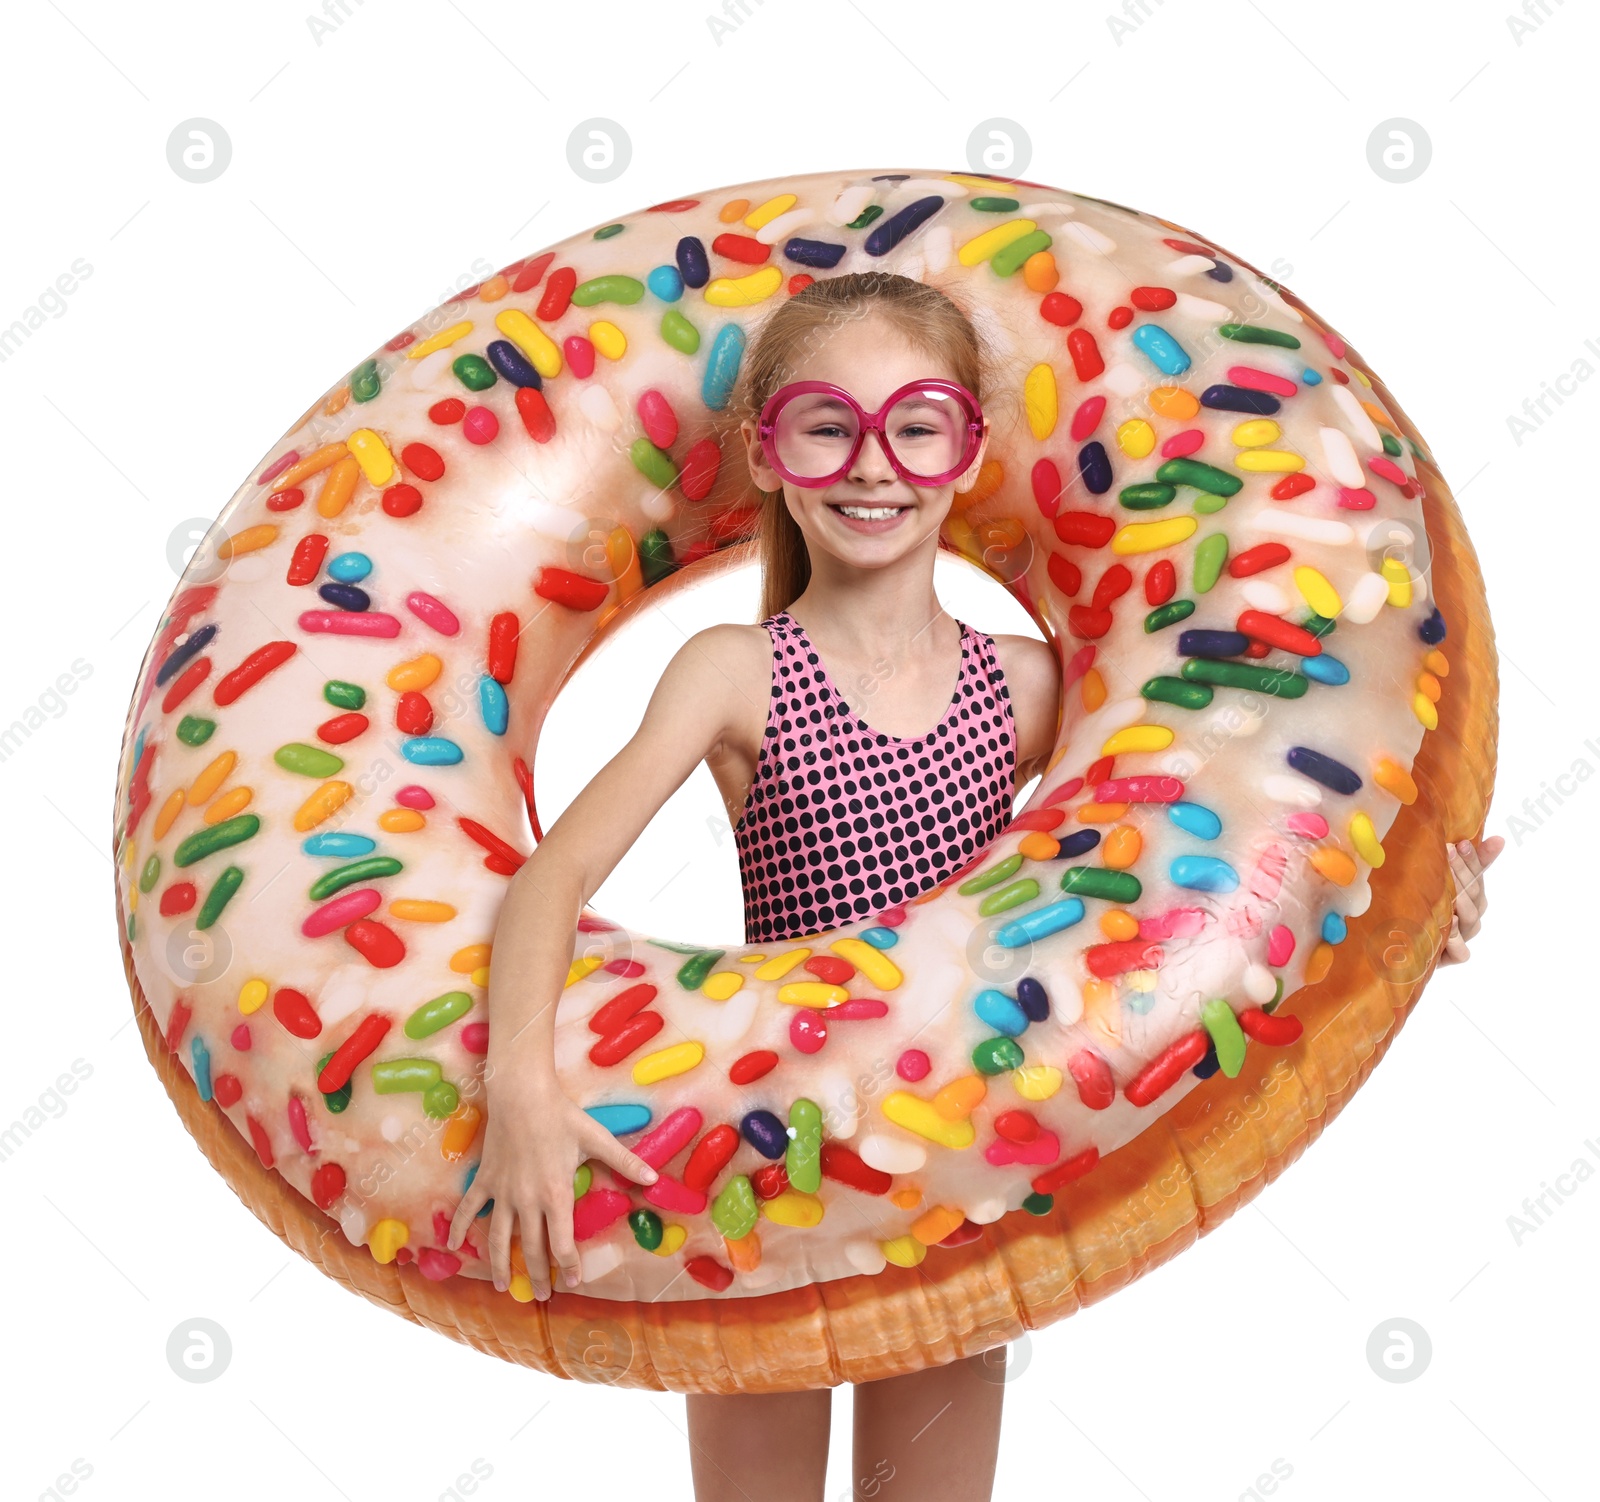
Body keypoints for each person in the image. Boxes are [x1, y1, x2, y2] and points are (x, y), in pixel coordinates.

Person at [446, 271, 1499, 1502]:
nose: (871, 464)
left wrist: (1415, 896)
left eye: (917, 424)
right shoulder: (736, 672)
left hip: (951, 1168)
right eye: (826, 426)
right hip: (760, 1158)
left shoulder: (1030, 687)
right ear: (769, 454)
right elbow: (553, 872)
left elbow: (1233, 836)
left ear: (969, 452)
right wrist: (519, 1079)